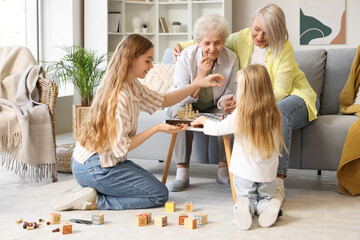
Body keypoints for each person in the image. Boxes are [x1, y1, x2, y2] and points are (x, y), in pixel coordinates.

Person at [50, 34, 226, 211]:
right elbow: (122, 147)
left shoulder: (131, 84)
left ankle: (91, 190)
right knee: (158, 195)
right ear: (132, 59)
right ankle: (92, 201)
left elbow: (163, 100)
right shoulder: (120, 97)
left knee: (153, 187)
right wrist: (157, 128)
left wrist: (198, 83)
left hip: (104, 162)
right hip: (95, 167)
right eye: (148, 61)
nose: (151, 66)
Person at [173, 4, 318, 204]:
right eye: (256, 30)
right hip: (256, 99)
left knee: (279, 111)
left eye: (266, 33)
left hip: (295, 96)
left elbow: (282, 91)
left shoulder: (283, 49)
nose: (258, 37)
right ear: (252, 25)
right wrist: (180, 45)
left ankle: (278, 182)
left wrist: (247, 106)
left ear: (276, 33)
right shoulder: (241, 37)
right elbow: (211, 38)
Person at [191, 64, 285, 230]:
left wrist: (204, 121)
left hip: (244, 171)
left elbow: (219, 129)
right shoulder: (274, 112)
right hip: (267, 171)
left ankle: (244, 206)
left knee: (246, 196)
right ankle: (268, 206)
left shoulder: (241, 114)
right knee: (265, 197)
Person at [167, 13, 239, 192]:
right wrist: (200, 75)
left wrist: (225, 103)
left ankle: (223, 171)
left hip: (214, 106)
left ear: (223, 41)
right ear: (198, 42)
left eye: (217, 43)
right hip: (186, 104)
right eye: (207, 43)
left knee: (230, 115)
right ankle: (182, 172)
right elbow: (180, 96)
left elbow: (230, 90)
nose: (212, 49)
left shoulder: (232, 59)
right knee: (177, 113)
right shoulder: (186, 56)